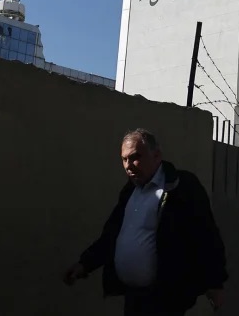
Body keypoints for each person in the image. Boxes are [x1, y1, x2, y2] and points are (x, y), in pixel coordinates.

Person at [63, 129, 227, 315]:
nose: (128, 166)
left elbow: (206, 235)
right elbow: (111, 235)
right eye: (124, 159)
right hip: (133, 297)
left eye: (134, 157)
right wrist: (84, 264)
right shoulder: (130, 192)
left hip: (166, 298)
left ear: (156, 155)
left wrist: (215, 283)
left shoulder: (181, 187)